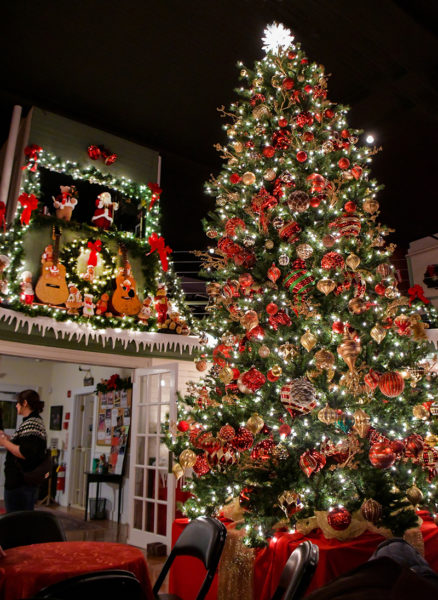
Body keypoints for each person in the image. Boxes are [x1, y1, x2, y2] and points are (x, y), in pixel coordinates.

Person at [0, 389, 47, 512]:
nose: (16, 406)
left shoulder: (32, 423)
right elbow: (25, 443)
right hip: (22, 483)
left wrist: (4, 442)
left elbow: (25, 452)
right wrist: (8, 438)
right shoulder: (32, 422)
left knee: (17, 522)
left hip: (20, 484)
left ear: (25, 403)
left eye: (18, 403)